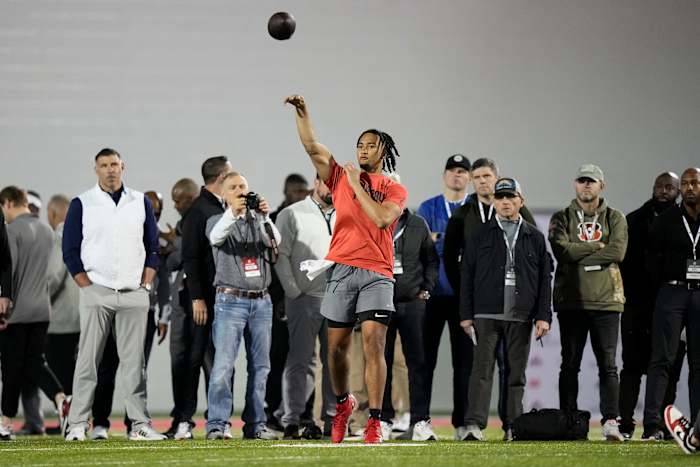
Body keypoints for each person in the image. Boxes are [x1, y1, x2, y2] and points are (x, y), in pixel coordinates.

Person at [285, 94, 407, 444]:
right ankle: (342, 404)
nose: (363, 149)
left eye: (371, 145)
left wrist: (357, 186)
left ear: (384, 152)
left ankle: (374, 420)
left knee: (373, 343)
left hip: (377, 274)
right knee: (334, 350)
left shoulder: (392, 188)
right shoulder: (338, 176)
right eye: (360, 145)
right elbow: (312, 146)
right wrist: (303, 113)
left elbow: (382, 217)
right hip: (342, 270)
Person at [62, 148, 165, 441]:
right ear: (95, 169)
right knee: (88, 361)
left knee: (135, 365)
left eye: (115, 164)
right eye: (104, 165)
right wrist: (86, 285)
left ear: (123, 167)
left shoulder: (140, 201)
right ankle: (78, 424)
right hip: (97, 289)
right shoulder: (82, 202)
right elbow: (70, 249)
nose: (110, 170)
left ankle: (139, 426)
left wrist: (146, 284)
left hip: (134, 292)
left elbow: (152, 247)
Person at [443, 157, 536, 437]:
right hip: (479, 305)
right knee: (474, 366)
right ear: (472, 180)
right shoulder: (463, 213)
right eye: (478, 176)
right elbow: (452, 258)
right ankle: (467, 423)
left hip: (513, 305)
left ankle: (511, 424)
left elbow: (536, 259)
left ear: (497, 177)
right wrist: (465, 296)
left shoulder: (520, 214)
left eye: (487, 176)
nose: (483, 181)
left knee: (511, 366)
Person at [460, 178, 552, 442]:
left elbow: (545, 277)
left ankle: (513, 425)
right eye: (500, 198)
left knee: (515, 374)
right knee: (482, 371)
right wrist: (466, 315)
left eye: (510, 197)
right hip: (486, 314)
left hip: (521, 314)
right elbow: (467, 275)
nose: (505, 202)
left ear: (521, 201)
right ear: (494, 202)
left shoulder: (534, 236)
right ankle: (474, 425)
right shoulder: (479, 234)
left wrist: (543, 315)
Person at [549, 164, 628, 441]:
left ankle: (610, 421)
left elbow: (617, 251)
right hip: (572, 301)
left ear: (601, 186)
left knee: (608, 364)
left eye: (591, 181)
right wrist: (596, 248)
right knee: (569, 364)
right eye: (582, 181)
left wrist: (578, 254)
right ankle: (568, 420)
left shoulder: (616, 217)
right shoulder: (561, 217)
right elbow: (561, 251)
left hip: (607, 302)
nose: (586, 186)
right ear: (575, 184)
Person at [89, 190, 172, 439]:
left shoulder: (157, 242)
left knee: (137, 370)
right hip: (114, 309)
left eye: (156, 211)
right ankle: (101, 423)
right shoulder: (119, 234)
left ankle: (135, 425)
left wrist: (163, 315)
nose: (152, 215)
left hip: (143, 311)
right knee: (106, 368)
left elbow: (164, 281)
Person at [204, 172, 280, 440]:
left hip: (261, 301)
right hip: (230, 302)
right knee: (223, 366)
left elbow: (276, 242)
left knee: (261, 368)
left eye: (243, 186)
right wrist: (233, 213)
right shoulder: (217, 219)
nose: (239, 190)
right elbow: (215, 237)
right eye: (233, 187)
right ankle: (217, 424)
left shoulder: (258, 220)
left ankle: (256, 425)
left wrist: (265, 217)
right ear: (223, 194)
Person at [0, 186, 69, 440]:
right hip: (42, 309)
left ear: (8, 203)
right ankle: (60, 396)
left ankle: (5, 422)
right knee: (34, 363)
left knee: (10, 367)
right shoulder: (45, 231)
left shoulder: (11, 230)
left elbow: (10, 269)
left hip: (17, 310)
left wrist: (3, 304)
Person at [618, 172, 680, 438]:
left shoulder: (687, 223)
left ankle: (661, 425)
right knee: (631, 366)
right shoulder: (633, 220)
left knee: (668, 367)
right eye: (659, 186)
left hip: (672, 306)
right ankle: (626, 424)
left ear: (677, 191)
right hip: (636, 306)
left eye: (669, 187)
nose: (663, 191)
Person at [274, 176, 336, 439]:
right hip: (305, 298)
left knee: (335, 362)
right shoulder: (292, 213)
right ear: (317, 181)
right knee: (301, 360)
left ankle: (333, 418)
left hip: (336, 298)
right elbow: (281, 255)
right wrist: (293, 291)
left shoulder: (344, 212)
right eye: (329, 183)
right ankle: (292, 420)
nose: (334, 189)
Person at [417, 154, 473, 439]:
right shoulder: (428, 207)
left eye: (463, 171)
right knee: (425, 360)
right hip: (432, 294)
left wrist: (441, 240)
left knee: (465, 362)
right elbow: (423, 246)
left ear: (470, 177)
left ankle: (463, 423)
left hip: (465, 297)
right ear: (444, 175)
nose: (457, 176)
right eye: (452, 170)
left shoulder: (475, 207)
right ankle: (422, 419)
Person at [643, 167, 700, 440]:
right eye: (686, 184)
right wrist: (666, 284)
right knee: (662, 359)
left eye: (695, 183)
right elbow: (651, 257)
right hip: (672, 293)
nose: (689, 188)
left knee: (699, 363)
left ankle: (699, 428)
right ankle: (652, 425)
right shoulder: (666, 220)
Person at [180, 156, 233, 437]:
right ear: (221, 176)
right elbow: (190, 258)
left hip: (225, 299)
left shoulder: (224, 207)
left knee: (222, 361)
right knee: (197, 358)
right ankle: (184, 420)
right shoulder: (199, 211)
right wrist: (197, 297)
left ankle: (218, 419)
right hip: (206, 302)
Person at [380, 204, 439, 441]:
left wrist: (426, 288)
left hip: (412, 302)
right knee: (380, 363)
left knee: (418, 363)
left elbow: (431, 260)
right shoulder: (375, 221)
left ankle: (420, 421)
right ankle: (382, 419)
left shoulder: (417, 224)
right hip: (380, 301)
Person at [266, 173, 311, 433]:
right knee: (277, 360)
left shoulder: (309, 220)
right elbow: (273, 266)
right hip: (280, 304)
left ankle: (303, 414)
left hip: (306, 300)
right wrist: (278, 300)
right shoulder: (272, 221)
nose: (302, 196)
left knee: (305, 360)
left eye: (304, 192)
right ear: (286, 192)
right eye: (297, 191)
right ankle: (272, 413)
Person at [163, 178, 201, 439]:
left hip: (201, 301)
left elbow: (180, 257)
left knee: (206, 361)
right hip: (180, 301)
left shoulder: (202, 219)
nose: (175, 205)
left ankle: (216, 420)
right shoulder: (180, 224)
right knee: (178, 359)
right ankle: (181, 417)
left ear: (193, 197)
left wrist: (174, 247)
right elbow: (173, 263)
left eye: (179, 199)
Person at [46, 195, 81, 395]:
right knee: (76, 372)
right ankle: (76, 421)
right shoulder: (82, 236)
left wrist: (39, 299)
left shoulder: (59, 238)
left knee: (60, 373)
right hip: (82, 317)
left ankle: (68, 422)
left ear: (52, 214)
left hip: (62, 319)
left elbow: (54, 275)